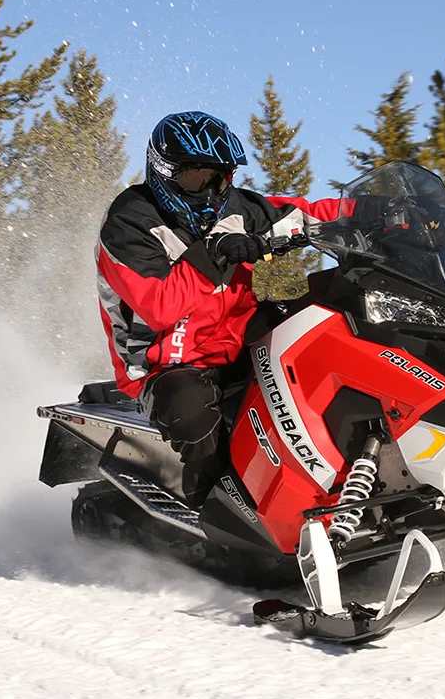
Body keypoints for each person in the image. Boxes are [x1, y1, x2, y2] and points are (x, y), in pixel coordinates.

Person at [94, 111, 346, 507]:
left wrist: (375, 213)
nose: (212, 192)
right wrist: (213, 253)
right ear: (165, 173)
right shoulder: (127, 224)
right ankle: (214, 521)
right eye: (199, 178)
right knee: (196, 420)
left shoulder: (239, 208)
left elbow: (307, 215)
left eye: (222, 178)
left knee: (322, 330)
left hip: (237, 336)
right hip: (164, 361)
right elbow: (160, 305)